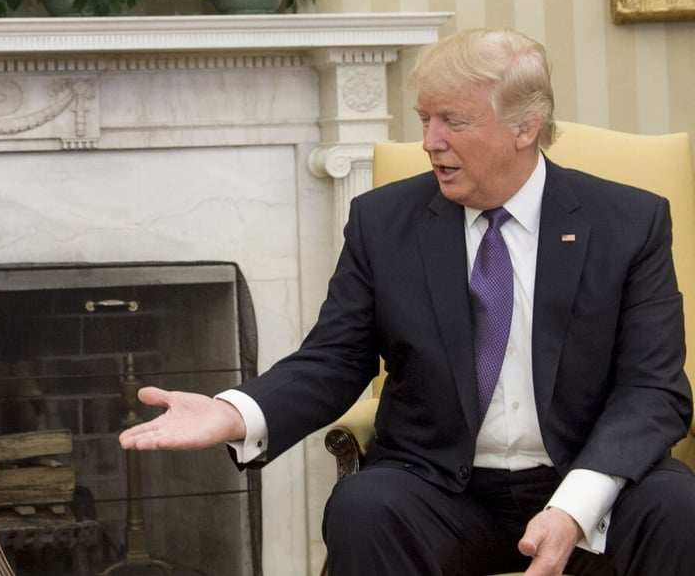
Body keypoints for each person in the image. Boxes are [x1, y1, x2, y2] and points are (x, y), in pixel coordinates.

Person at [120, 28, 695, 575]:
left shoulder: (628, 223)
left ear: (525, 127)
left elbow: (653, 389)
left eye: (453, 121)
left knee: (676, 507)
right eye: (425, 119)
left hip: (587, 480)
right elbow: (334, 360)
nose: (429, 141)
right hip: (443, 489)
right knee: (364, 507)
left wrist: (575, 507)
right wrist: (235, 411)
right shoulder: (383, 222)